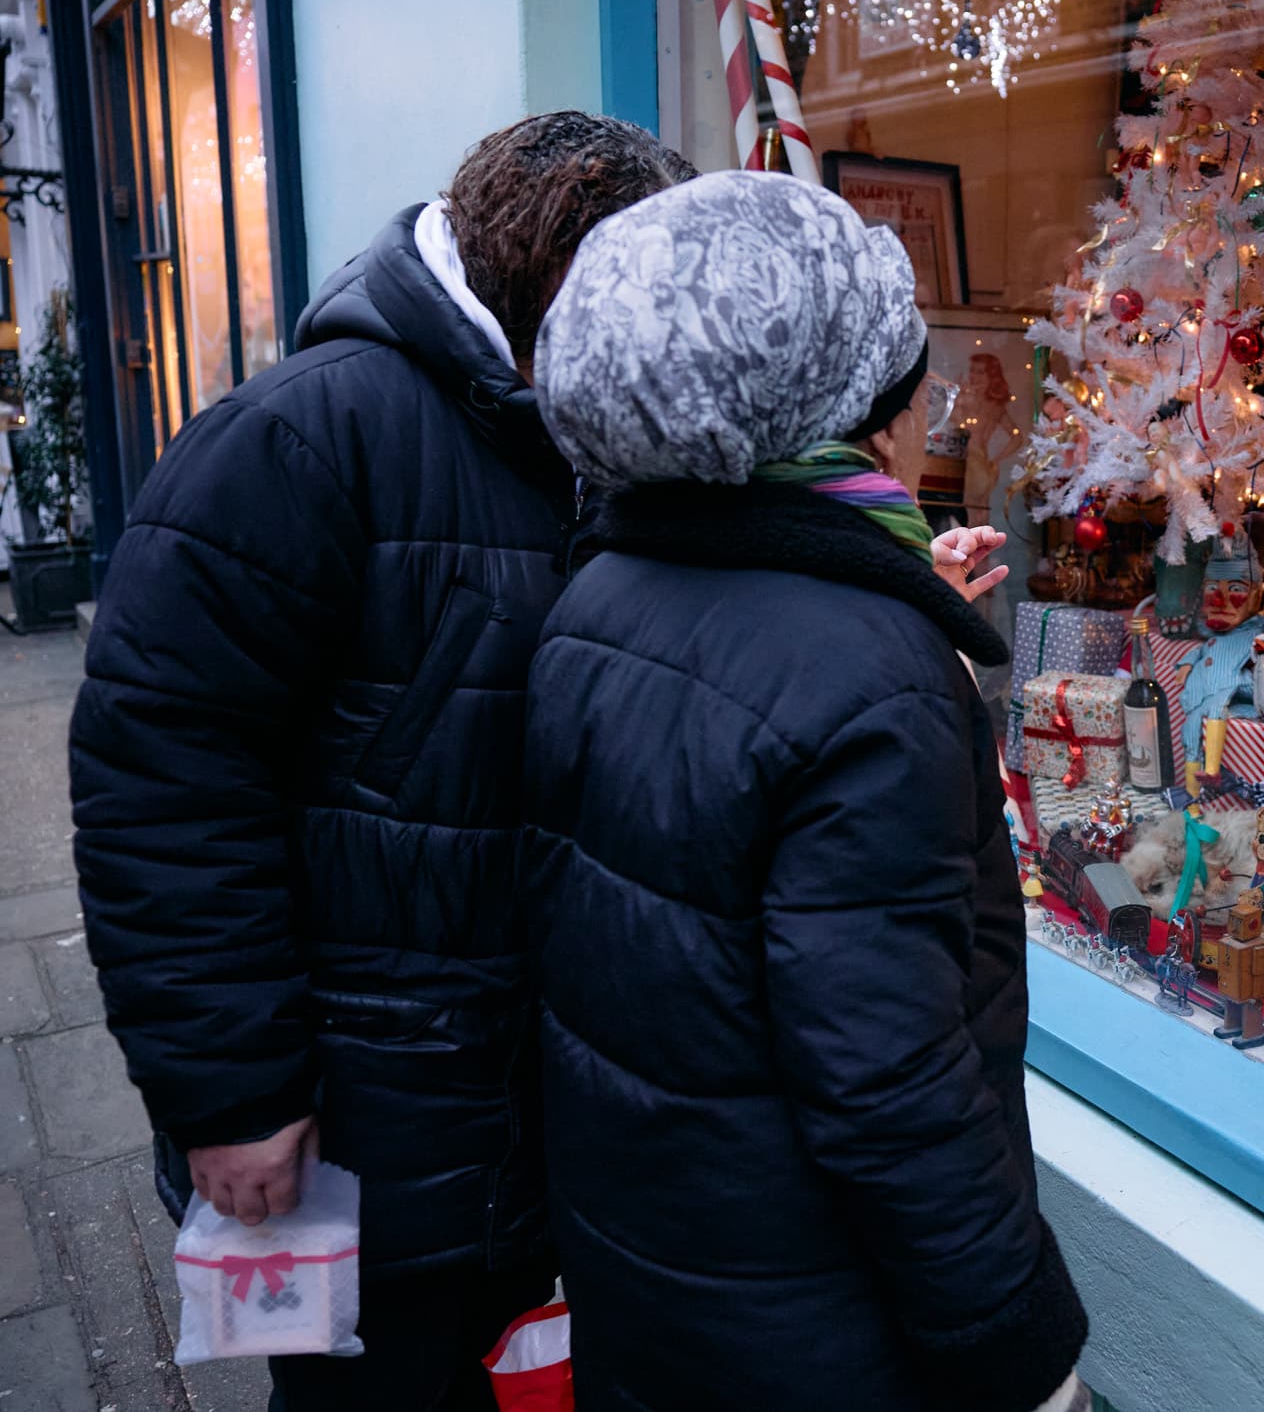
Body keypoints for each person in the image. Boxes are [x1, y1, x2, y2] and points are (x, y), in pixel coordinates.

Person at [68, 112, 695, 1409]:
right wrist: (232, 1093)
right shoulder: (298, 443)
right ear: (562, 298)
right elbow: (160, 789)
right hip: (367, 1129)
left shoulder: (596, 439)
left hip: (538, 1120)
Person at [523, 170, 1089, 1410]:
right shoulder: (867, 673)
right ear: (862, 420)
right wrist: (1020, 1344)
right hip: (811, 1319)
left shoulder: (598, 595)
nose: (934, 412)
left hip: (654, 1259)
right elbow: (887, 1075)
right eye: (921, 383)